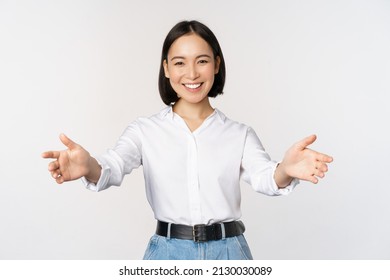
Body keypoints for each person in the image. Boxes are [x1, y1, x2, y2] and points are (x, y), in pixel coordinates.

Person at [42, 20, 333, 260]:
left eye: (202, 61)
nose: (191, 74)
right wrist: (88, 165)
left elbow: (267, 177)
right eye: (180, 63)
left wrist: (285, 169)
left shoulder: (239, 134)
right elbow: (111, 167)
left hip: (229, 252)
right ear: (166, 68)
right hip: (167, 253)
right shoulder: (145, 131)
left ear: (216, 65)